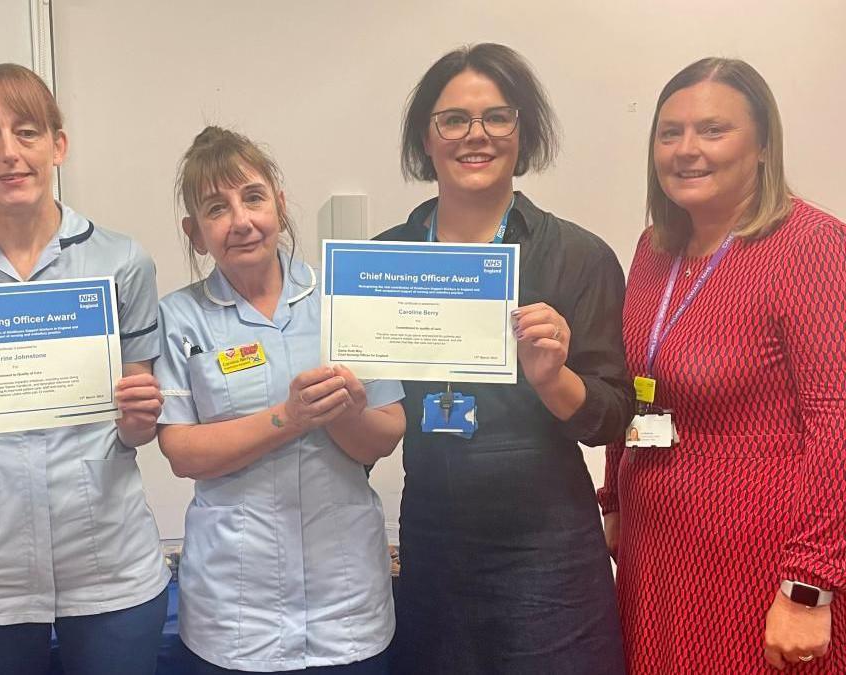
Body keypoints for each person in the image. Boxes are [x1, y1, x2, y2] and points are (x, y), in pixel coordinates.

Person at [375, 43, 633, 673]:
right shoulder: (386, 261)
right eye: (454, 120)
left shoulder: (579, 256)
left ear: (524, 132)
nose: (477, 136)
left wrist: (553, 380)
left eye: (498, 117)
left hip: (548, 540)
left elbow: (610, 419)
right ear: (426, 139)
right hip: (434, 533)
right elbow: (372, 420)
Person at [0, 63, 169, 675]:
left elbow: (136, 427)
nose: (9, 153)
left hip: (109, 557)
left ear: (59, 143)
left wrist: (139, 418)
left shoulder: (121, 261)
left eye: (27, 132)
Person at [600, 57, 846, 673]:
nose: (687, 150)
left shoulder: (811, 245)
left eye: (713, 130)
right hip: (657, 547)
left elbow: (836, 422)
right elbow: (637, 387)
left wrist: (811, 582)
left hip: (761, 556)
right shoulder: (654, 249)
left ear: (763, 146)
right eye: (669, 132)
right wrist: (614, 504)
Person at [154, 126, 405, 673]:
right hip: (234, 613)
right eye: (216, 209)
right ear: (194, 232)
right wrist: (288, 419)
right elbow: (182, 451)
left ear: (281, 205)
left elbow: (386, 436)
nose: (240, 221)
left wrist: (347, 413)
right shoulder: (178, 318)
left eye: (253, 197)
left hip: (347, 609)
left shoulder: (343, 299)